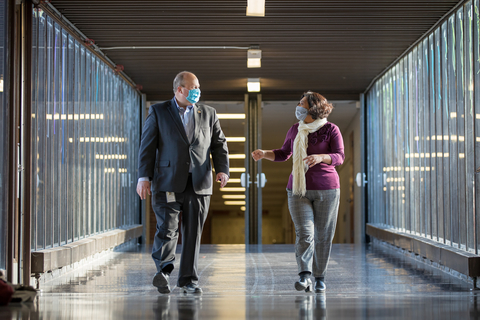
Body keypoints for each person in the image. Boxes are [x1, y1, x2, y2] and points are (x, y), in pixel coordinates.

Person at [137, 71, 229, 294]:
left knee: (192, 233)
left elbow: (219, 144)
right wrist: (143, 177)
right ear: (179, 90)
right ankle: (164, 270)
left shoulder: (208, 113)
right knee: (167, 228)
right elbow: (147, 146)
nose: (198, 90)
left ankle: (188, 280)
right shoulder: (159, 111)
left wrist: (223, 170)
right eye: (193, 86)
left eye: (198, 86)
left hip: (199, 181)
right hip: (167, 181)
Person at [252, 91, 344, 293]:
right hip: (298, 189)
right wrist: (264, 154)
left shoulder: (331, 129)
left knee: (323, 235)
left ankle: (320, 277)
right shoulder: (295, 129)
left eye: (301, 103)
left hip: (327, 189)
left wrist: (321, 158)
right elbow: (284, 153)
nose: (298, 106)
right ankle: (305, 276)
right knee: (305, 233)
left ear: (313, 108)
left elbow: (339, 157)